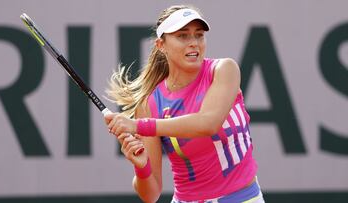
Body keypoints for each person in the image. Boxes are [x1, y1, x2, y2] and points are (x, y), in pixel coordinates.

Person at [104, 4, 265, 203]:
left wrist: (139, 126)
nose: (194, 43)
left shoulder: (224, 70)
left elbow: (208, 123)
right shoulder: (149, 104)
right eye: (182, 36)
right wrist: (141, 166)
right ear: (161, 45)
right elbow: (150, 195)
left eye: (198, 35)